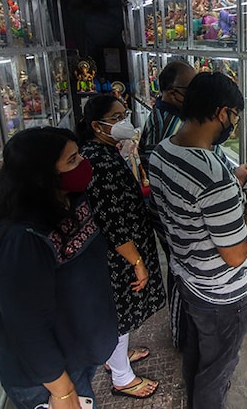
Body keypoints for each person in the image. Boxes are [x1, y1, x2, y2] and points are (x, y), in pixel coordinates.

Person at [148, 72, 247, 409]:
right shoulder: (213, 178)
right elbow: (236, 254)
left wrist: (232, 179)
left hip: (189, 278)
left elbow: (188, 205)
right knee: (217, 371)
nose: (233, 123)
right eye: (234, 115)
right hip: (223, 295)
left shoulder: (162, 153)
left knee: (198, 354)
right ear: (221, 112)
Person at [0, 127, 118, 409]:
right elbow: (27, 328)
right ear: (41, 176)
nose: (83, 164)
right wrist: (62, 392)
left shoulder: (68, 200)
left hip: (76, 358)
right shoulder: (19, 241)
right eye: (72, 161)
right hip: (48, 381)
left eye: (78, 155)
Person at [77, 95, 166, 399]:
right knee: (119, 316)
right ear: (96, 125)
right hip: (118, 256)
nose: (124, 122)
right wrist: (137, 261)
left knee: (122, 313)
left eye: (124, 114)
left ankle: (117, 357)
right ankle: (122, 378)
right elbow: (111, 221)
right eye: (116, 118)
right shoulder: (97, 161)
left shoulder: (103, 151)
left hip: (122, 251)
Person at [138, 59, 196, 349]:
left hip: (165, 212)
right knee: (179, 272)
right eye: (192, 87)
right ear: (173, 93)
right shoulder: (175, 124)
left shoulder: (162, 113)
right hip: (171, 217)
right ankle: (182, 334)